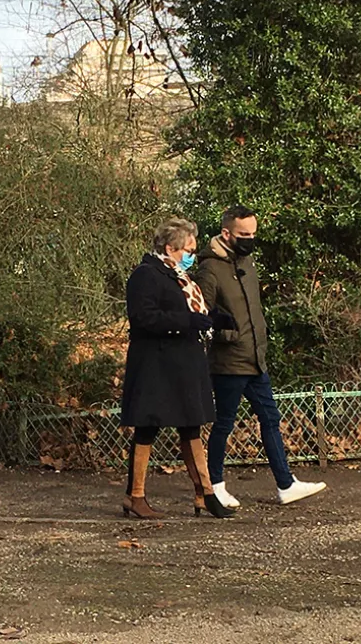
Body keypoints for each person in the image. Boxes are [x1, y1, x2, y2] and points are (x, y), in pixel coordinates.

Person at [193, 205, 327, 506]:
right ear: (226, 233)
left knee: (269, 418)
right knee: (224, 423)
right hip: (228, 362)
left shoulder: (247, 261)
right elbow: (203, 313)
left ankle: (285, 484)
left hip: (255, 359)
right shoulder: (210, 268)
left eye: (253, 233)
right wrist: (230, 336)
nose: (250, 239)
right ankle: (214, 484)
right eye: (244, 234)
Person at [120, 217, 237, 519]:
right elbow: (144, 317)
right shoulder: (146, 275)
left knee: (191, 425)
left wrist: (212, 318)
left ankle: (205, 493)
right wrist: (188, 322)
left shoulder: (177, 276)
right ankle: (135, 495)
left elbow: (185, 311)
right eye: (189, 249)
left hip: (183, 364)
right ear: (171, 248)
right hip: (157, 366)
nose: (192, 255)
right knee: (148, 427)